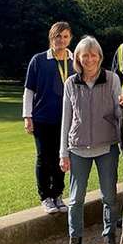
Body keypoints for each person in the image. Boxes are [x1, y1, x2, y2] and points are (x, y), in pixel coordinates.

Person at [60, 36, 122, 244]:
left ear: (99, 56)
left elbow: (120, 111)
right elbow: (66, 119)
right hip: (77, 147)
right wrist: (62, 152)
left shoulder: (112, 79)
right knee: (76, 199)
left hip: (106, 146)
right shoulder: (71, 83)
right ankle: (74, 243)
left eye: (93, 54)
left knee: (109, 196)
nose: (89, 59)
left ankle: (109, 239)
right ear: (78, 58)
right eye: (84, 55)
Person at [23, 21, 75, 214]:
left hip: (67, 119)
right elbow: (29, 91)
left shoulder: (74, 61)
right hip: (43, 118)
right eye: (57, 36)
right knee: (44, 158)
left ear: (70, 38)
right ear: (51, 38)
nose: (61, 40)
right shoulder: (38, 60)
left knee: (62, 157)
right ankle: (45, 197)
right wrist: (27, 116)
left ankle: (58, 195)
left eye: (65, 36)